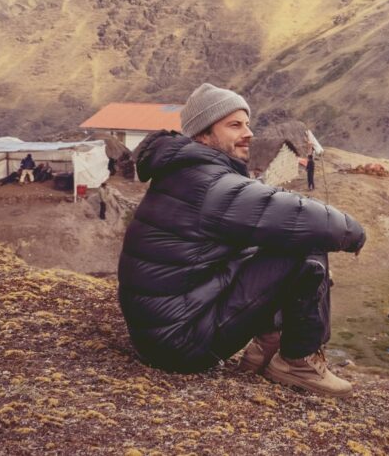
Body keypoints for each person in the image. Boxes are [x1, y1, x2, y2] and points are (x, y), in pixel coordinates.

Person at [117, 83, 365, 397]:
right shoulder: (211, 185)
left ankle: (267, 345)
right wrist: (353, 233)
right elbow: (303, 218)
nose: (248, 133)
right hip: (181, 343)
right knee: (308, 245)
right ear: (204, 135)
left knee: (271, 238)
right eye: (234, 125)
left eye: (247, 123)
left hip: (165, 331)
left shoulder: (186, 173)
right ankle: (297, 361)